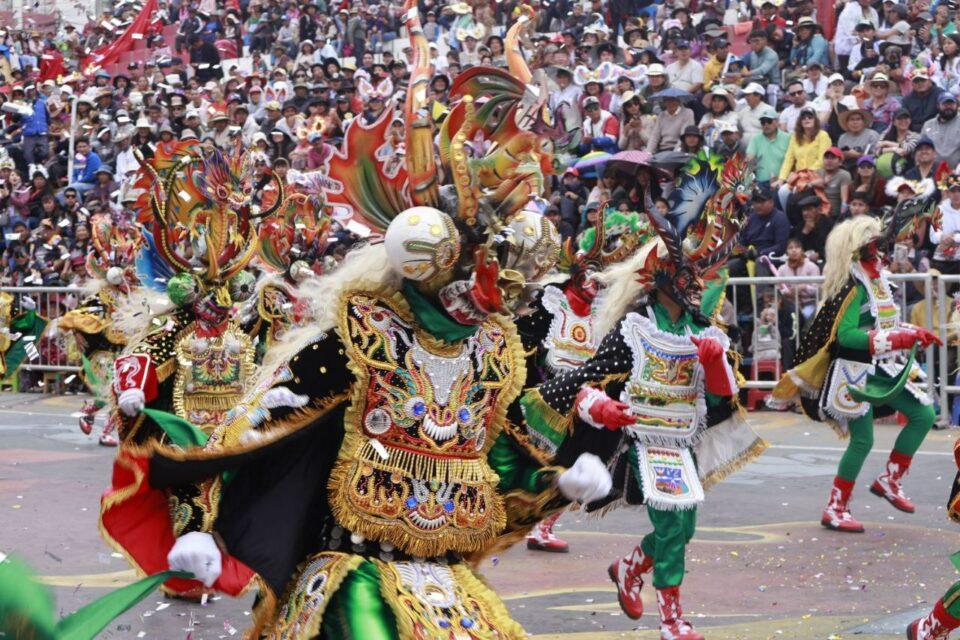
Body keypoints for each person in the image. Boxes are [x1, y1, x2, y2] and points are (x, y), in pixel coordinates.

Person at [519, 156, 761, 640]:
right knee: (673, 529)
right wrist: (602, 407)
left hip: (683, 440)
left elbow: (723, 404)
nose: (697, 285)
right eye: (688, 276)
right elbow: (580, 381)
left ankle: (630, 567)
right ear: (661, 277)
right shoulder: (635, 328)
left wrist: (714, 363)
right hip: (645, 443)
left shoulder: (703, 329)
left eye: (700, 276)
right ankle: (671, 618)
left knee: (683, 530)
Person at [772, 215, 940, 534]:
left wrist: (914, 331)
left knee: (923, 413)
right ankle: (835, 507)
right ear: (860, 250)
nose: (881, 251)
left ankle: (890, 480)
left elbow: (883, 325)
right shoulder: (852, 286)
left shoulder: (874, 279)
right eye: (875, 246)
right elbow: (846, 335)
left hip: (877, 367)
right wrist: (899, 339)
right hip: (852, 373)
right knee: (863, 440)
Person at [747, 106, 791, 187]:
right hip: (761, 182)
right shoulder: (755, 139)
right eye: (763, 122)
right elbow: (749, 160)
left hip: (783, 181)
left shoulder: (788, 138)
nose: (766, 124)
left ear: (777, 121)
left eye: (769, 121)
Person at [920, 93, 960, 166]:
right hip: (931, 171)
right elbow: (921, 149)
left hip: (957, 172)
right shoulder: (928, 125)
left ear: (957, 105)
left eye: (951, 104)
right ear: (938, 106)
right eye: (945, 104)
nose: (948, 107)